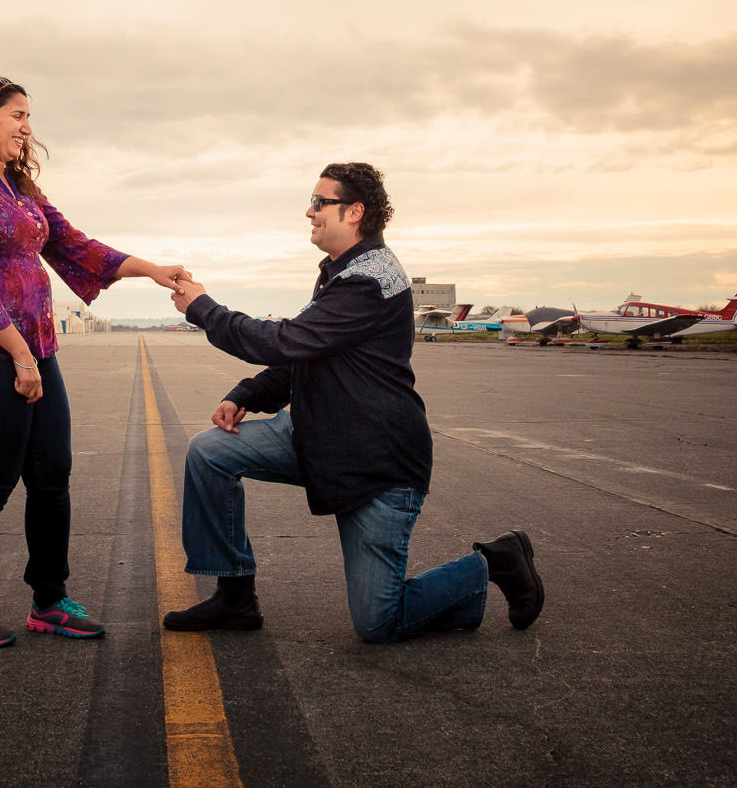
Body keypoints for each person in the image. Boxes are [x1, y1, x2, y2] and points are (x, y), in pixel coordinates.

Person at [163, 162, 543, 643]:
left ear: (355, 211)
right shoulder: (343, 273)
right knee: (209, 452)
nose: (309, 212)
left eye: (320, 203)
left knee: (378, 622)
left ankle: (492, 563)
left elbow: (284, 342)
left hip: (375, 462)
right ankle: (235, 596)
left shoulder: (370, 282)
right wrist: (246, 394)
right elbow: (306, 354)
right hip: (318, 435)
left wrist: (203, 308)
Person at [0, 74, 185, 648]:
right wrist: (19, 356)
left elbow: (77, 246)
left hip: (34, 350)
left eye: (27, 117)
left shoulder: (18, 190)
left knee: (51, 475)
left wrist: (154, 269)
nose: (26, 127)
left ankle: (49, 599)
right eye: (16, 115)